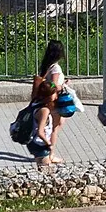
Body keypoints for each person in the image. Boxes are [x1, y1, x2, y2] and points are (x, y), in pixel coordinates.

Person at [31, 40, 77, 168]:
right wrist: (64, 85)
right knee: (54, 128)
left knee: (56, 124)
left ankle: (46, 151)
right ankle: (50, 153)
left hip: (46, 100)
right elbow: (55, 86)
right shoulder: (56, 68)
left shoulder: (46, 66)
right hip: (54, 102)